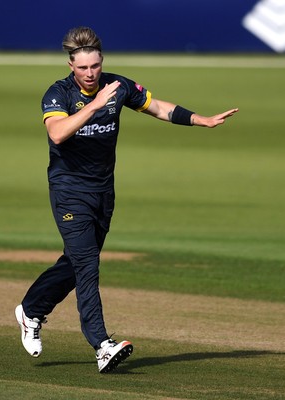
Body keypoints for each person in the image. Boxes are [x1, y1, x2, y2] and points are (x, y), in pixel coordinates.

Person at [15, 26, 238, 373]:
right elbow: (57, 133)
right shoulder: (57, 94)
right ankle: (102, 344)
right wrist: (96, 105)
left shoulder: (117, 86)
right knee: (87, 266)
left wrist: (200, 120)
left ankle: (31, 309)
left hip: (103, 192)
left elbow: (157, 106)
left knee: (75, 263)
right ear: (71, 66)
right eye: (83, 68)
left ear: (102, 62)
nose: (90, 74)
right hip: (69, 192)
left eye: (95, 66)